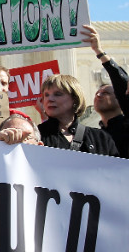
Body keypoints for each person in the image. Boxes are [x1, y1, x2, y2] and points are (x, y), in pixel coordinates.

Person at [38, 74, 118, 156]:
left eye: (57, 94)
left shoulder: (101, 138)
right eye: (46, 95)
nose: (49, 99)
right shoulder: (37, 135)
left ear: (75, 99)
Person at [81, 24, 129, 158]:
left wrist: (99, 52)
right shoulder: (93, 135)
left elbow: (122, 85)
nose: (99, 95)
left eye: (106, 93)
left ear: (120, 100)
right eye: (97, 93)